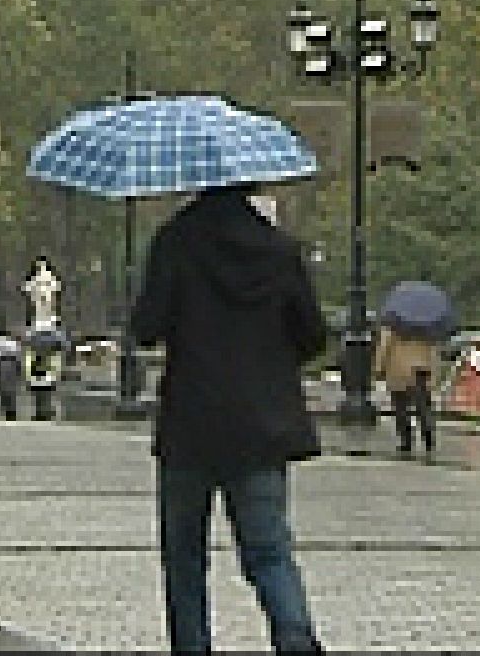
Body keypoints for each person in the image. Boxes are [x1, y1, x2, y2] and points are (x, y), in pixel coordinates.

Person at [131, 184, 328, 655]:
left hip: (191, 424)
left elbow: (146, 327)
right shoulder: (280, 249)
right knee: (268, 551)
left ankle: (192, 646)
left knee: (184, 556)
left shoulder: (175, 241)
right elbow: (313, 335)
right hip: (261, 423)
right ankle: (295, 636)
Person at [374, 325, 440, 456]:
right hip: (420, 368)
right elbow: (433, 350)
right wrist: (433, 373)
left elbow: (384, 346)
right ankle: (428, 437)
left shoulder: (391, 326)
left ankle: (406, 440)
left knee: (400, 407)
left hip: (398, 369)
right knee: (423, 406)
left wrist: (378, 368)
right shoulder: (427, 325)